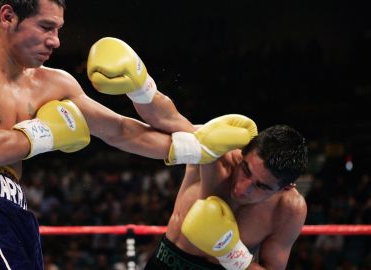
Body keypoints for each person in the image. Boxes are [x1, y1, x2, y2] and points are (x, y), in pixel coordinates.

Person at [0, 1, 257, 269]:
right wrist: (47, 133)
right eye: (45, 27)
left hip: (18, 212)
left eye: (58, 30)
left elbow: (121, 131)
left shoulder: (54, 83)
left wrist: (195, 147)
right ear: (8, 16)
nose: (55, 40)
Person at [87, 37, 309, 270]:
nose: (242, 188)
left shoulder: (289, 209)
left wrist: (233, 255)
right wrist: (140, 85)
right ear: (245, 152)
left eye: (261, 186)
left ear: (287, 186)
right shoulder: (215, 151)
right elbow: (167, 118)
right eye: (245, 170)